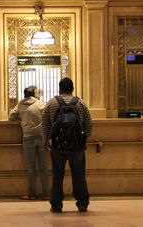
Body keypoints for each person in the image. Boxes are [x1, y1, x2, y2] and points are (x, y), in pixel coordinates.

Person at [42, 77, 93, 213]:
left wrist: (45, 139)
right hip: (77, 146)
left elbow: (45, 122)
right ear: (72, 89)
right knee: (79, 175)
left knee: (57, 175)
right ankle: (82, 203)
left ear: (60, 89)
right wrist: (85, 141)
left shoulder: (52, 103)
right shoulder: (81, 103)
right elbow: (89, 123)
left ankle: (56, 204)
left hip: (57, 146)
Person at [9, 86, 49, 200]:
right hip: (42, 137)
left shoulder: (20, 104)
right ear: (35, 94)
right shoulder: (41, 104)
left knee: (31, 168)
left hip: (28, 137)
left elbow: (11, 117)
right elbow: (48, 118)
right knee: (43, 167)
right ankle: (46, 194)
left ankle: (31, 193)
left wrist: (21, 118)